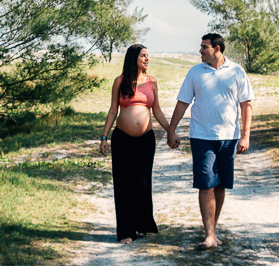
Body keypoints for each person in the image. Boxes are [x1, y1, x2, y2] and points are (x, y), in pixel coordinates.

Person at [166, 32, 254, 251]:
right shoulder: (195, 72)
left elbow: (246, 105)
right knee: (206, 183)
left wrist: (245, 136)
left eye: (204, 47)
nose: (200, 50)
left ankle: (213, 230)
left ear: (217, 49)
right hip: (201, 136)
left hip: (228, 137)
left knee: (221, 185)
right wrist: (171, 129)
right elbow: (182, 102)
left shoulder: (236, 71)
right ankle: (209, 235)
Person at [99, 43, 170, 244]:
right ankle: (126, 231)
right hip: (122, 139)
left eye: (148, 55)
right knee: (123, 184)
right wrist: (104, 137)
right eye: (143, 56)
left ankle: (142, 224)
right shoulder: (120, 81)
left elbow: (157, 111)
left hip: (146, 140)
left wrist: (170, 130)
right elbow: (113, 110)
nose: (147, 59)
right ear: (133, 58)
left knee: (143, 182)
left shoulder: (152, 81)